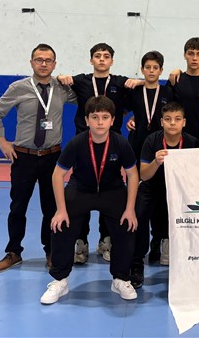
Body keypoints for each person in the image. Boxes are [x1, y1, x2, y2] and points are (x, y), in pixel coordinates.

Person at [40, 96, 139, 304]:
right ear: (87, 120)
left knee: (127, 225)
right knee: (60, 224)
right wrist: (60, 210)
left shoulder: (121, 143)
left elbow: (132, 175)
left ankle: (121, 279)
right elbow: (57, 174)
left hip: (112, 190)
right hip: (81, 189)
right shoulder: (77, 143)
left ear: (113, 120)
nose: (100, 122)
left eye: (105, 117)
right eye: (95, 117)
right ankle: (60, 280)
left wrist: (130, 209)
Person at [0, 43, 77, 273]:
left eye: (48, 60)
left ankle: (51, 251)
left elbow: (88, 99)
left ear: (54, 64)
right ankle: (13, 252)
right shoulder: (18, 88)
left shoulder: (62, 88)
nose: (43, 64)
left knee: (51, 207)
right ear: (31, 62)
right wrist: (1, 141)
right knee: (18, 207)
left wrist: (70, 80)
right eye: (39, 60)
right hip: (24, 157)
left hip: (52, 157)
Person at [58, 43, 142, 264]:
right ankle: (81, 241)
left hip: (112, 144)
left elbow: (146, 89)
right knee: (82, 189)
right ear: (91, 60)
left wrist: (139, 81)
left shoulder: (120, 83)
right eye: (97, 56)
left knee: (110, 190)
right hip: (84, 144)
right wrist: (62, 77)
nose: (102, 59)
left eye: (106, 56)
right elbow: (59, 80)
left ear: (112, 61)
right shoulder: (81, 81)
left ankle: (106, 240)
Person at [130, 102, 198, 288]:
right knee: (139, 215)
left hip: (180, 189)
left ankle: (187, 260)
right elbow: (143, 175)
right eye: (168, 119)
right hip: (152, 187)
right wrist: (156, 162)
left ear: (184, 122)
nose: (172, 123)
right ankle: (137, 264)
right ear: (161, 122)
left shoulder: (192, 142)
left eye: (177, 119)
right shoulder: (152, 140)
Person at [125, 50, 174, 263]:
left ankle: (159, 240)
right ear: (142, 69)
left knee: (162, 199)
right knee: (140, 199)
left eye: (155, 68)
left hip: (161, 149)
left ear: (161, 70)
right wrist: (129, 119)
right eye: (147, 67)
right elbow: (121, 109)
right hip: (138, 149)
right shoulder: (135, 91)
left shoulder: (168, 92)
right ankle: (137, 246)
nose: (151, 71)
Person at [167, 37, 199, 138]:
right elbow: (166, 108)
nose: (194, 58)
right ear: (184, 55)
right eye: (190, 53)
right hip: (181, 135)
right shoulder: (176, 79)